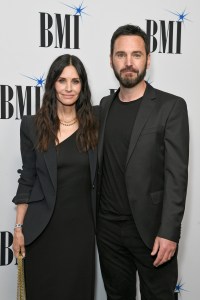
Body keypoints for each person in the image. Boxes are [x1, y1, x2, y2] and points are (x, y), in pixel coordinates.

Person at [97, 24, 189, 300]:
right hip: (108, 230)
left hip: (152, 233)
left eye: (136, 55)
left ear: (148, 59)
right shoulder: (103, 106)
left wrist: (169, 233)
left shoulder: (170, 107)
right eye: (121, 55)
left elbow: (176, 176)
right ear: (111, 60)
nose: (128, 63)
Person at [12, 54, 98, 300]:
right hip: (41, 230)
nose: (69, 88)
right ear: (52, 84)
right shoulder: (32, 125)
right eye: (62, 81)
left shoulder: (96, 122)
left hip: (80, 232)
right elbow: (27, 177)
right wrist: (18, 228)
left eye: (75, 81)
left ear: (83, 86)